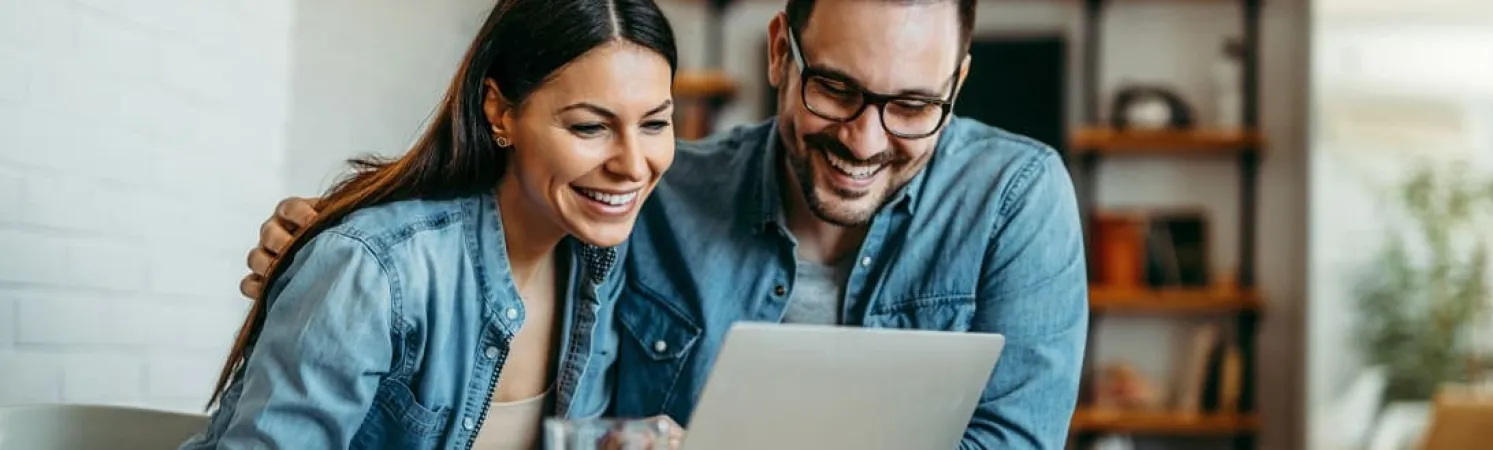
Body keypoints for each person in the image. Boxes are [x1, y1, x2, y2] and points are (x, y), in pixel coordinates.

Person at [246, 0, 1090, 447]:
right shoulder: (661, 193)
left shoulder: (1015, 198)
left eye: (913, 106)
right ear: (778, 54)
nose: (865, 140)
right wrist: (346, 244)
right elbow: (503, 207)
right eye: (834, 88)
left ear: (959, 82)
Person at [188, 0, 683, 448]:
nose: (634, 165)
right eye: (589, 127)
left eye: (655, 123)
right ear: (500, 112)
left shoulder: (597, 266)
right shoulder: (377, 269)